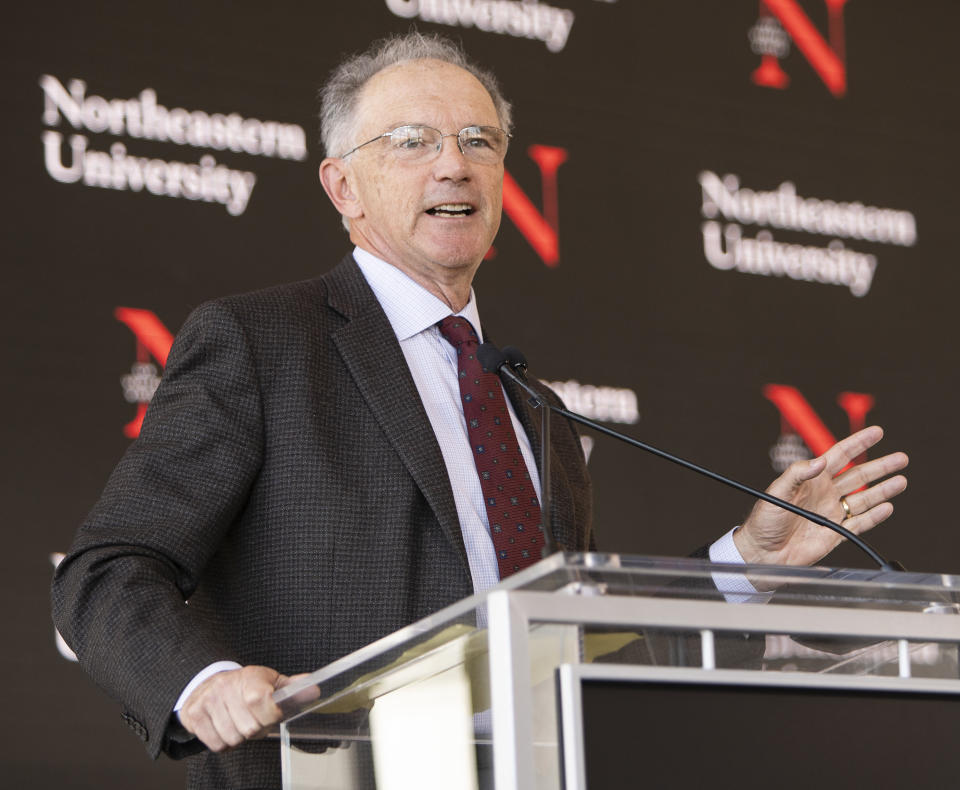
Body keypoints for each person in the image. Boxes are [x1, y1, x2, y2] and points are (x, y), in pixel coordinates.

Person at [51, 32, 908, 789]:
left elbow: (576, 641)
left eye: (477, 141)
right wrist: (204, 685)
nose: (452, 164)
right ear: (341, 185)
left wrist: (742, 567)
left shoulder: (536, 408)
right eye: (411, 142)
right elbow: (104, 571)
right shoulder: (261, 343)